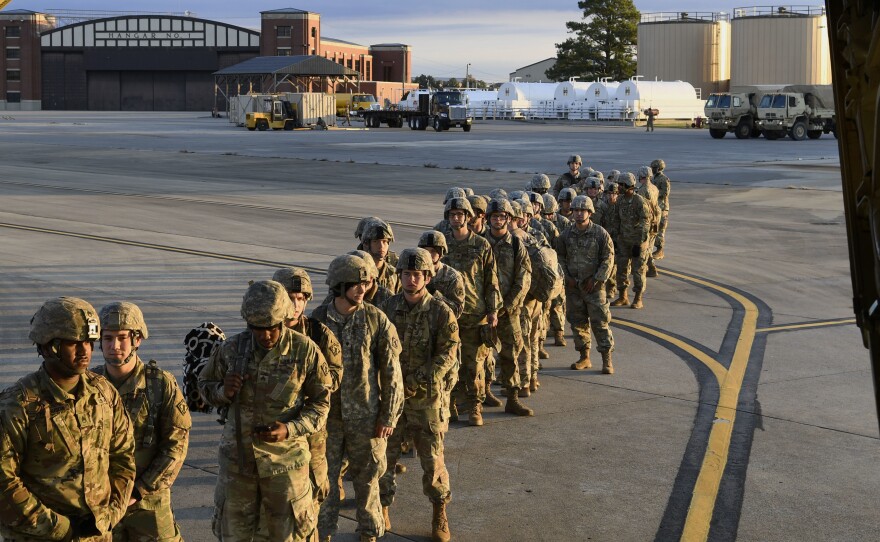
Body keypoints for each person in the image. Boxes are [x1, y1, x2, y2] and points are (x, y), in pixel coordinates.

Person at [198, 281, 331, 542]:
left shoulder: (305, 352)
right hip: (239, 466)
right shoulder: (232, 349)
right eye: (257, 329)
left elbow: (321, 404)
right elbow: (203, 386)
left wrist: (290, 429)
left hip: (286, 466)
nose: (265, 336)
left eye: (271, 328)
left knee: (289, 536)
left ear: (283, 320)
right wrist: (223, 392)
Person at [0, 297, 136, 542]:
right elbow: (4, 483)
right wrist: (60, 528)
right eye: (73, 343)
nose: (85, 351)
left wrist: (110, 515)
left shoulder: (104, 394)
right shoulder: (18, 405)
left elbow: (122, 455)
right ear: (48, 347)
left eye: (88, 342)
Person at [311, 255, 403, 542]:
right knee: (323, 482)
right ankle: (322, 533)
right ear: (339, 285)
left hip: (366, 417)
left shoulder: (376, 319)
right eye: (355, 283)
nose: (362, 288)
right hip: (328, 420)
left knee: (368, 481)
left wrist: (388, 416)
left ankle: (369, 533)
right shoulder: (316, 322)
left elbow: (391, 372)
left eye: (366, 282)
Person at [378, 248, 458, 542]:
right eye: (406, 274)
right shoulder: (387, 308)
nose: (411, 279)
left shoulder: (440, 311)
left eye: (417, 275)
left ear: (427, 277)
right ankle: (383, 507)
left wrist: (415, 380)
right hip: (392, 400)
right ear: (399, 276)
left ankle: (439, 511)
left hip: (427, 400)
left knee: (432, 461)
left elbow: (447, 354)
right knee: (384, 458)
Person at [93, 301, 191, 542]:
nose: (114, 346)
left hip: (149, 504)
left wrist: (139, 490)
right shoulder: (90, 385)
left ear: (137, 339)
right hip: (101, 504)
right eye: (108, 338)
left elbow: (176, 446)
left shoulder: (160, 384)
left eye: (122, 338)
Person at [273, 267, 345, 507]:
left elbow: (334, 375)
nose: (296, 305)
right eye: (290, 298)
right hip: (273, 429)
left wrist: (307, 383)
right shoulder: (263, 333)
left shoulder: (318, 333)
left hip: (309, 429)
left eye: (301, 299)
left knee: (313, 493)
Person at [440, 196, 502, 426]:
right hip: (447, 314)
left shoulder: (481, 245)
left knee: (474, 365)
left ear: (468, 217)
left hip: (475, 313)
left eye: (460, 215)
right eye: (452, 215)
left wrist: (493, 310)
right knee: (449, 362)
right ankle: (452, 404)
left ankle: (475, 407)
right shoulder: (442, 244)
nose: (456, 219)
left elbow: (491, 280)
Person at [485, 198, 534, 416]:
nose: (498, 220)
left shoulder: (516, 245)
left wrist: (507, 306)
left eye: (502, 217)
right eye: (494, 216)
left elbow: (523, 279)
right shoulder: (479, 243)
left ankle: (512, 397)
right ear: (489, 219)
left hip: (509, 311)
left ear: (509, 219)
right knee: (478, 356)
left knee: (511, 354)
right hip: (483, 311)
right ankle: (478, 396)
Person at [557, 196, 616, 374]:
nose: (579, 213)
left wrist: (597, 279)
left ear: (590, 213)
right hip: (574, 287)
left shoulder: (600, 233)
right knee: (577, 322)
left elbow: (608, 258)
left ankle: (607, 359)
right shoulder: (566, 235)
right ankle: (584, 357)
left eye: (583, 210)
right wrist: (567, 278)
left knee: (600, 322)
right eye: (576, 210)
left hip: (595, 288)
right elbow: (559, 258)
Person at [610, 173, 652, 309]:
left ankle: (638, 298)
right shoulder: (620, 201)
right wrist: (615, 239)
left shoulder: (639, 201)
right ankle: (623, 296)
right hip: (623, 241)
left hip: (637, 242)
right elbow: (616, 220)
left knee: (638, 270)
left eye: (621, 185)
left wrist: (639, 243)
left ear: (628, 186)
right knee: (621, 269)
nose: (619, 187)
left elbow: (645, 223)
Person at [358, 218, 400, 294]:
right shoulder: (356, 269)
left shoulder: (394, 274)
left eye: (384, 241)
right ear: (367, 243)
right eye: (375, 241)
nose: (381, 246)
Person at [636, 165, 662, 278]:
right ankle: (650, 267)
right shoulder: (654, 188)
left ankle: (651, 268)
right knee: (649, 245)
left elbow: (641, 207)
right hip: (655, 219)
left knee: (645, 246)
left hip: (647, 220)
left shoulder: (642, 190)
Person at [651, 159, 671, 260]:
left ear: (659, 168)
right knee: (654, 228)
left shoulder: (663, 179)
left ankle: (660, 249)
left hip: (662, 209)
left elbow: (665, 193)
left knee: (660, 229)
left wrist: (654, 193)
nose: (652, 170)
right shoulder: (653, 178)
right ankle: (655, 247)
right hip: (655, 209)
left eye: (654, 168)